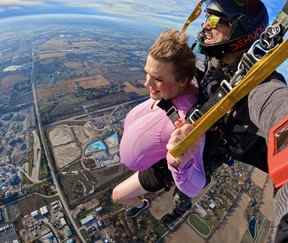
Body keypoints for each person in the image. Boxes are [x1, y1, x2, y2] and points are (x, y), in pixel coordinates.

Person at [167, 0, 287, 179]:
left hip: (213, 154)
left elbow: (278, 106)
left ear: (240, 30)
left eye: (215, 20)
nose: (206, 25)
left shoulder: (261, 85)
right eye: (207, 17)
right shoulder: (216, 61)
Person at [111, 29, 206, 229]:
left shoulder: (186, 121)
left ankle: (142, 203)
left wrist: (179, 163)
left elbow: (196, 185)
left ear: (182, 80)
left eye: (158, 79)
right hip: (149, 152)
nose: (147, 83)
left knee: (117, 195)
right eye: (147, 73)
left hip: (158, 168)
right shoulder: (169, 92)